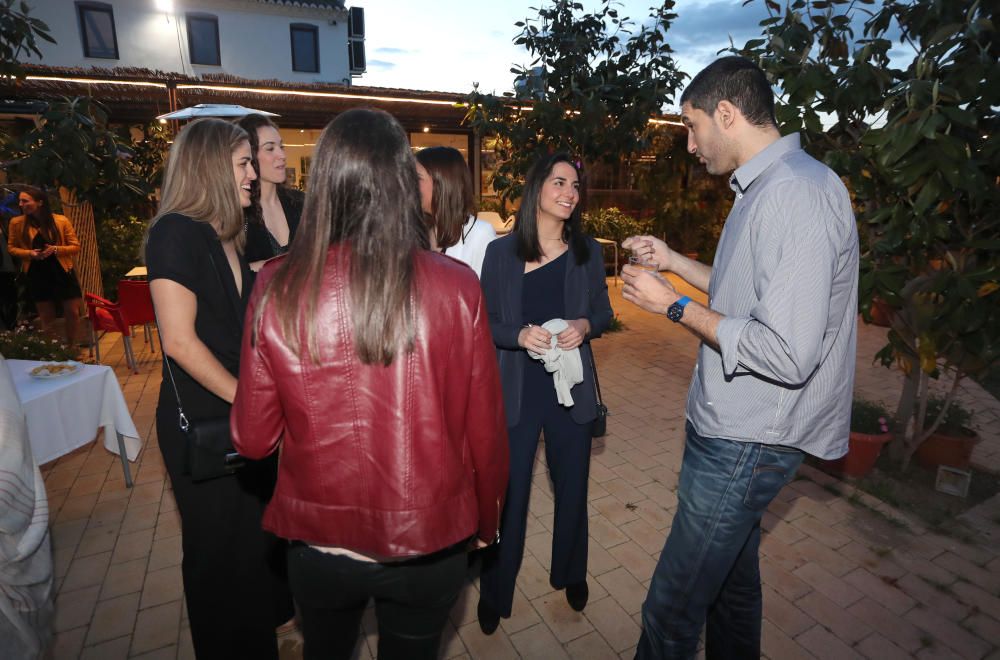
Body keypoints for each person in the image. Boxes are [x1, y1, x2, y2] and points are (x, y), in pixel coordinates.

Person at [230, 108, 509, 660]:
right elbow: (487, 432)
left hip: (319, 544)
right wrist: (487, 519)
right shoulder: (456, 286)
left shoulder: (276, 284)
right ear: (404, 183)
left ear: (326, 183)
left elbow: (252, 439)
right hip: (429, 539)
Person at [620, 56, 859, 659]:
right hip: (735, 429)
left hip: (749, 438)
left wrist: (672, 307)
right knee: (730, 589)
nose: (692, 144)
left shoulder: (797, 195)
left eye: (693, 126)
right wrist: (674, 262)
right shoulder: (768, 187)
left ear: (726, 114)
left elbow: (785, 352)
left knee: (670, 612)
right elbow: (742, 296)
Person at [144, 118, 294, 660]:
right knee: (215, 555)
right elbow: (180, 343)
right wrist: (253, 400)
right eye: (243, 163)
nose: (253, 173)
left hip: (240, 411)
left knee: (252, 547)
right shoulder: (174, 233)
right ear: (210, 166)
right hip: (206, 420)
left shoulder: (225, 234)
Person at [477, 151, 613, 633]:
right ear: (538, 188)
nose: (569, 194)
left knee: (572, 488)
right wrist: (518, 335)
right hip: (515, 389)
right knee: (509, 496)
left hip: (568, 389)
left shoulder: (587, 251)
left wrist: (582, 323)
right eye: (560, 183)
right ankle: (495, 590)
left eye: (576, 187)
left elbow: (603, 313)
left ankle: (571, 573)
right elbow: (486, 323)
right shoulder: (500, 253)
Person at [6, 187, 82, 346]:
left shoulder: (60, 221)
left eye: (25, 201)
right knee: (47, 317)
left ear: (40, 202)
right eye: (20, 201)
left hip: (62, 271)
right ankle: (54, 350)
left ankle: (72, 347)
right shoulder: (17, 223)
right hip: (37, 272)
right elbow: (11, 248)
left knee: (73, 312)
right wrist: (29, 253)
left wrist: (56, 249)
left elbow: (75, 246)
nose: (21, 204)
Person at [237, 113, 304, 271]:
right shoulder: (238, 212)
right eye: (270, 148)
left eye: (281, 147)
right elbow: (225, 276)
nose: (282, 155)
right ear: (249, 156)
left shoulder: (302, 203)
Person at [415, 146, 496, 277]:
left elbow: (484, 293)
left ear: (442, 183)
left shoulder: (480, 235)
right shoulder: (418, 232)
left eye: (417, 178)